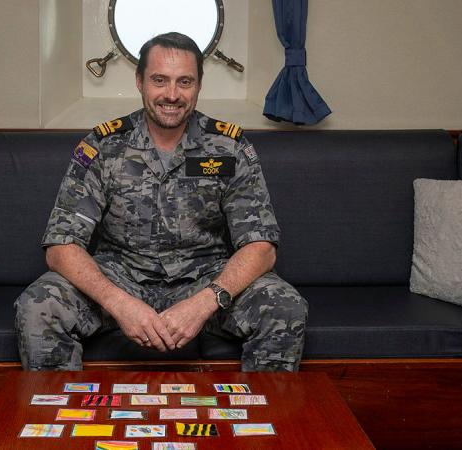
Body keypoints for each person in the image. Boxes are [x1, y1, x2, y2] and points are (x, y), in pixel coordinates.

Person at [15, 32, 307, 372]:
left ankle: (260, 421)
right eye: (159, 80)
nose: (172, 94)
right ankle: (63, 420)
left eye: (185, 81)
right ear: (139, 81)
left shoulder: (230, 147)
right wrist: (120, 303)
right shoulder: (103, 146)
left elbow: (261, 246)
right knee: (37, 307)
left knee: (285, 306)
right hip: (121, 276)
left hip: (205, 277)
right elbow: (61, 246)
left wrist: (202, 303)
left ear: (199, 85)